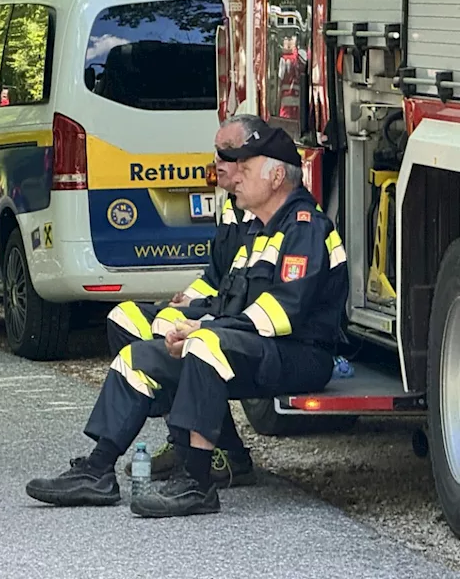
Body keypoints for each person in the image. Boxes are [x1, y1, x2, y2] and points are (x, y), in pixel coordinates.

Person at [25, 125, 348, 518]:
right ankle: (98, 470)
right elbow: (226, 296)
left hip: (300, 354)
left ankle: (197, 482)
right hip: (252, 345)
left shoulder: (305, 228)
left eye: (246, 168)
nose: (234, 174)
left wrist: (204, 329)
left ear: (277, 177)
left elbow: (282, 313)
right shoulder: (258, 229)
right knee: (139, 358)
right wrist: (185, 318)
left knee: (204, 345)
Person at [107, 113, 270, 487]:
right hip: (217, 309)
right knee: (124, 319)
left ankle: (221, 452)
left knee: (180, 333)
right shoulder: (232, 207)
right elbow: (215, 277)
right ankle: (182, 440)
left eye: (226, 154)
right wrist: (185, 300)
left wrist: (200, 319)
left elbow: (261, 297)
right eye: (217, 154)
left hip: (240, 323)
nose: (217, 163)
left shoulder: (273, 213)